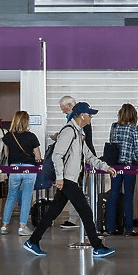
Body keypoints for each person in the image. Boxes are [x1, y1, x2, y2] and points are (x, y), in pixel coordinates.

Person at [24, 102, 117, 257]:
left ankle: (33, 241)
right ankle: (97, 246)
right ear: (81, 116)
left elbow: (88, 156)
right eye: (89, 115)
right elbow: (57, 155)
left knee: (53, 212)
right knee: (86, 211)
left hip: (70, 179)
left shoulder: (79, 134)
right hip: (67, 180)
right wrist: (60, 178)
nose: (91, 118)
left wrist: (105, 167)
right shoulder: (69, 132)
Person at [54, 95, 95, 229]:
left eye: (63, 108)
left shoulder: (79, 123)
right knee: (64, 201)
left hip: (76, 166)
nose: (63, 111)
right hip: (71, 170)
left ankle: (74, 219)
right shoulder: (72, 124)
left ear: (71, 106)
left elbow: (84, 144)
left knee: (77, 199)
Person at [0, 111, 41, 236]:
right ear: (26, 121)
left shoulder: (8, 136)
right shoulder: (32, 136)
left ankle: (4, 225)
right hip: (30, 169)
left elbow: (6, 154)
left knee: (11, 196)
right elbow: (38, 156)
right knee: (26, 197)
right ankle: (22, 226)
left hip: (14, 169)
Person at [106, 103, 138, 236]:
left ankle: (111, 227)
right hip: (129, 166)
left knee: (114, 194)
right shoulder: (134, 128)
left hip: (114, 165)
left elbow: (111, 141)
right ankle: (128, 228)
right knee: (128, 196)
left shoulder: (114, 126)